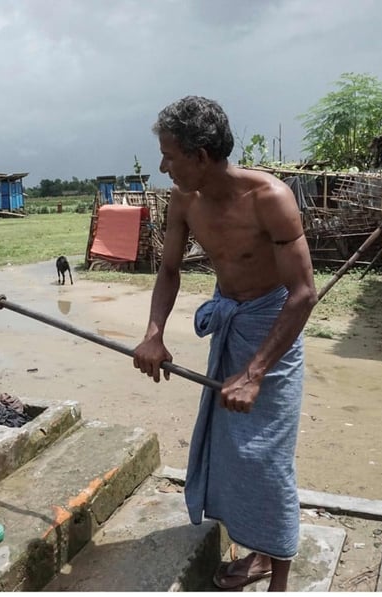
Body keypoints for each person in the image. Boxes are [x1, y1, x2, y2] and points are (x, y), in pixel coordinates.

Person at [133, 96, 317, 592]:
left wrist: (256, 372)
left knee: (267, 455)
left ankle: (279, 576)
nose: (162, 165)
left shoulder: (269, 198)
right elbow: (169, 270)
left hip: (272, 329)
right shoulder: (184, 201)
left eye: (170, 155)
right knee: (231, 449)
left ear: (201, 155)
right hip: (230, 318)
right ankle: (257, 552)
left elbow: (302, 294)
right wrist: (154, 334)